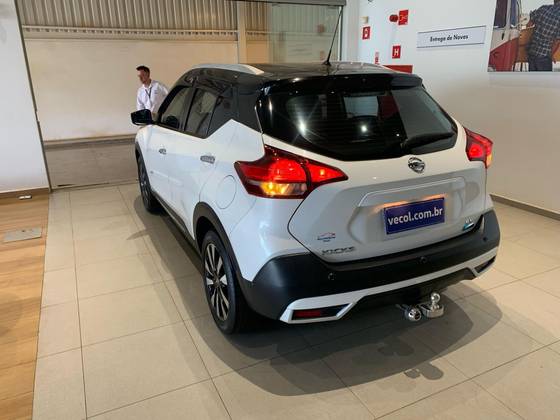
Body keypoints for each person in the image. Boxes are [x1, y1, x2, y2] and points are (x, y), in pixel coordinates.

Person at [527, 0, 560, 71]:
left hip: (532, 51)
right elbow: (557, 41)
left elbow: (529, 25)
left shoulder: (543, 8)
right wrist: (551, 55)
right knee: (544, 78)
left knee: (532, 77)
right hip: (544, 56)